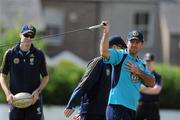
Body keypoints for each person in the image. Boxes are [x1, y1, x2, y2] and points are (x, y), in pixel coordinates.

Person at [99, 21, 155, 120]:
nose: (134, 45)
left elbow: (152, 83)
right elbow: (104, 52)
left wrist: (138, 72)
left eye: (137, 42)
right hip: (117, 106)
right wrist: (106, 33)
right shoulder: (120, 55)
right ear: (127, 42)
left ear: (142, 44)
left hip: (132, 109)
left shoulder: (141, 64)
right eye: (131, 42)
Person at [64, 35, 127, 120]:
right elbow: (85, 83)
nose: (124, 53)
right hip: (92, 113)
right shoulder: (99, 62)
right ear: (115, 47)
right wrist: (73, 104)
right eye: (123, 49)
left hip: (108, 113)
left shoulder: (117, 67)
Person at [0, 25, 49, 120]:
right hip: (15, 100)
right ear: (20, 35)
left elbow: (46, 77)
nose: (28, 38)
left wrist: (38, 91)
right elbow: (2, 76)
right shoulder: (10, 54)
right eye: (26, 35)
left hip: (34, 101)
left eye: (31, 36)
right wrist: (7, 93)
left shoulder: (39, 54)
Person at [136, 53, 162, 120]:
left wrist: (144, 88)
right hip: (141, 105)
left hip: (153, 107)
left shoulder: (158, 77)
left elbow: (156, 90)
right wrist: (152, 87)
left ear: (153, 62)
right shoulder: (140, 75)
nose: (148, 63)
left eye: (150, 61)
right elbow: (139, 88)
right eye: (146, 61)